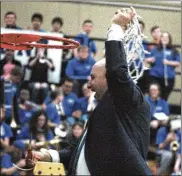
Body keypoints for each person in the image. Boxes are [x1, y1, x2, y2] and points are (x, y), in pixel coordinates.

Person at [26, 8, 152, 175]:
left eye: (92, 78)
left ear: (108, 77)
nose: (89, 85)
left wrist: (115, 28)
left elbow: (116, 71)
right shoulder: (104, 109)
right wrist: (48, 155)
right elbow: (82, 151)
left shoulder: (131, 99)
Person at [146, 32, 180, 100]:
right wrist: (150, 60)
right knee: (153, 97)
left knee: (164, 98)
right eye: (163, 37)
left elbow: (177, 63)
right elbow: (147, 59)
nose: (164, 39)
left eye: (166, 37)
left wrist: (168, 62)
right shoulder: (155, 49)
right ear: (160, 39)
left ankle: (162, 109)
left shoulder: (174, 51)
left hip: (168, 78)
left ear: (169, 39)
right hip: (154, 77)